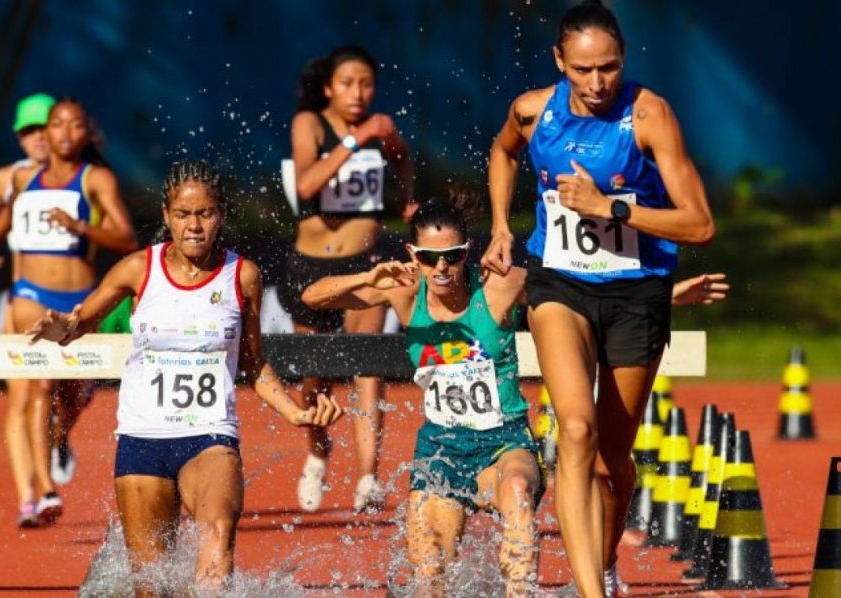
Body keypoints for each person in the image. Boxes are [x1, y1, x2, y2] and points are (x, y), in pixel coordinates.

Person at [483, 1, 715, 595]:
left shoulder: (649, 115)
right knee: (576, 432)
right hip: (559, 284)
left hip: (637, 293)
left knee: (613, 460)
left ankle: (605, 562)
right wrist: (501, 227)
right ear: (559, 60)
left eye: (607, 68)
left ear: (623, 60)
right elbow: (502, 151)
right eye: (581, 70)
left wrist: (611, 208)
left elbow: (699, 225)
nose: (595, 83)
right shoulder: (533, 112)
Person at [28, 159, 344, 594]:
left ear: (221, 216)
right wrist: (58, 328)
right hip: (142, 441)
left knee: (217, 546)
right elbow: (79, 323)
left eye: (205, 213)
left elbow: (253, 366)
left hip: (210, 437)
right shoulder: (138, 269)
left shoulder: (243, 276)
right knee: (150, 586)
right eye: (183, 214)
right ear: (166, 217)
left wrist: (295, 411)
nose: (194, 225)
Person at [302, 190, 543, 596]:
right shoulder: (404, 292)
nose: (442, 267)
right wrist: (367, 277)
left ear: (469, 251)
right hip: (441, 450)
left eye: (453, 255)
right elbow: (312, 296)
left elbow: (578, 299)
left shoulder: (501, 287)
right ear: (414, 254)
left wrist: (667, 297)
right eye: (430, 258)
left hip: (505, 443)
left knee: (518, 492)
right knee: (430, 577)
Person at [0, 98, 138, 527]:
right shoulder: (21, 178)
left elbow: (126, 237)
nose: (58, 134)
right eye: (53, 126)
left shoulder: (95, 178)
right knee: (39, 387)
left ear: (84, 133)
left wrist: (79, 226)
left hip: (78, 300)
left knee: (71, 395)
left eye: (71, 126)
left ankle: (60, 437)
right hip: (30, 294)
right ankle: (42, 490)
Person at [281, 44, 417, 513]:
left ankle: (368, 477)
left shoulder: (380, 130)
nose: (358, 93)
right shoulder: (311, 124)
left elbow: (402, 159)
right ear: (327, 88)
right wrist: (357, 140)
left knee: (368, 371)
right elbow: (306, 185)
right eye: (347, 83)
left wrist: (407, 199)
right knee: (313, 377)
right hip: (312, 265)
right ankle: (318, 450)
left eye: (366, 83)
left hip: (366, 267)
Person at [0, 93, 54, 527]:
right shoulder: (8, 177)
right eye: (28, 131)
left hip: (67, 305)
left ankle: (58, 443)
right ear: (19, 138)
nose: (38, 138)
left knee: (61, 394)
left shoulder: (81, 176)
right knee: (21, 397)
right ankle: (29, 497)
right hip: (20, 301)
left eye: (44, 128)